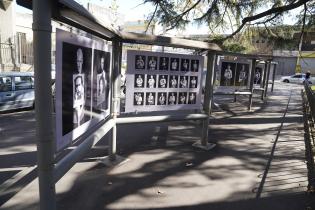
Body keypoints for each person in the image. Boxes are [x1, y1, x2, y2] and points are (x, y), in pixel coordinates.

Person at [73, 48, 85, 126]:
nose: (79, 64)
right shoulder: (75, 76)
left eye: (80, 61)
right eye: (77, 61)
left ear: (83, 61)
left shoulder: (83, 75)